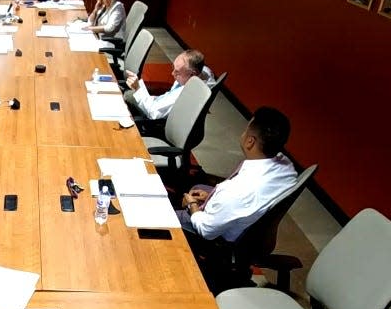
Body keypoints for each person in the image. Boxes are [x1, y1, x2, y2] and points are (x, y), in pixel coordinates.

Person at [176, 106, 298, 244]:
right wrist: (212, 197)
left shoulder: (236, 192)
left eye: (246, 129)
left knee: (156, 218)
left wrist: (192, 205)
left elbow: (206, 231)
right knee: (199, 187)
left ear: (250, 141)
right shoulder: (286, 166)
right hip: (244, 214)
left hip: (216, 235)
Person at [124, 49, 212, 120]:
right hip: (161, 101)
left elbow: (152, 112)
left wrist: (138, 88)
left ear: (192, 74)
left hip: (156, 118)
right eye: (173, 68)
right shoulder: (202, 72)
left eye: (177, 72)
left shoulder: (184, 93)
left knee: (127, 95)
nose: (172, 74)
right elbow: (207, 71)